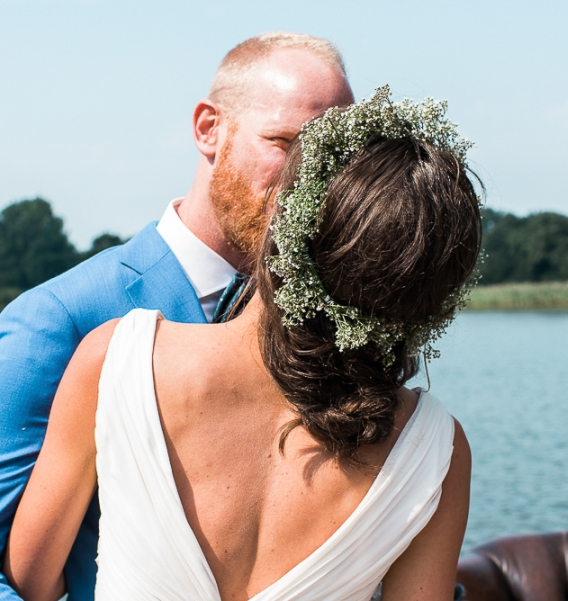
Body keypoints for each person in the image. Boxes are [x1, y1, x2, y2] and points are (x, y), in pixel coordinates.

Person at [3, 88, 481, 600]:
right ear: (433, 302)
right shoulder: (438, 450)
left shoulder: (118, 358)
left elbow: (31, 578)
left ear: (285, 220)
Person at [0, 32, 353, 600]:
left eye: (333, 157)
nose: (308, 181)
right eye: (284, 143)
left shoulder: (339, 323)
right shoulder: (56, 320)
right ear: (209, 128)